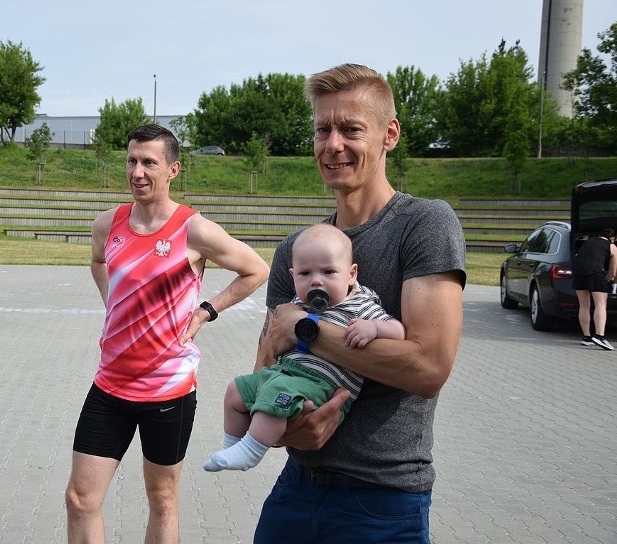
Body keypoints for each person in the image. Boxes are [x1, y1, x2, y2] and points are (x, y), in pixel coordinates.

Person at [253, 64, 466, 544]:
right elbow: (266, 364)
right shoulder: (298, 249)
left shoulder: (423, 224)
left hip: (383, 500)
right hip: (295, 489)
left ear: (389, 134)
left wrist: (305, 330)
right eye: (322, 129)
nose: (333, 145)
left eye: (350, 129)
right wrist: (288, 429)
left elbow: (427, 368)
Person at [65, 124, 269, 543]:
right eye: (131, 160)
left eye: (149, 163)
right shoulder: (109, 223)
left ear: (173, 169)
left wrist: (206, 311)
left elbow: (256, 269)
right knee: (81, 499)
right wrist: (114, 302)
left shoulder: (194, 230)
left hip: (167, 390)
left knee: (162, 498)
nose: (137, 171)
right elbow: (98, 262)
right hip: (110, 385)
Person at [203, 223, 404, 472]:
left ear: (351, 274)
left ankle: (250, 452)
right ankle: (231, 445)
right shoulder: (299, 302)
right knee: (237, 390)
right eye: (305, 274)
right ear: (292, 275)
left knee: (276, 393)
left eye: (329, 272)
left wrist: (373, 328)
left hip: (321, 384)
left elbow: (398, 331)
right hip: (286, 372)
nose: (316, 281)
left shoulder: (361, 305)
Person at [573, 227, 617, 350]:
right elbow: (613, 271)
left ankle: (586, 337)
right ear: (612, 238)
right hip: (596, 274)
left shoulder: (587, 242)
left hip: (579, 273)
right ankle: (599, 336)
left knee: (584, 305)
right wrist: (609, 280)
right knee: (601, 305)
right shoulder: (611, 246)